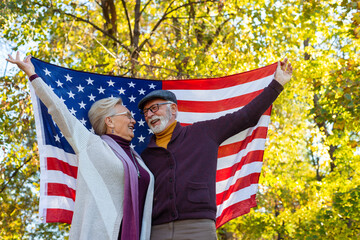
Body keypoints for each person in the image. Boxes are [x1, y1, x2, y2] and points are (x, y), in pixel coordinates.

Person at [137, 59, 293, 240]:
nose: (149, 115)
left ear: (173, 109)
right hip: (156, 232)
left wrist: (277, 84)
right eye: (146, 112)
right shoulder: (145, 155)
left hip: (199, 229)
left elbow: (246, 117)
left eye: (154, 108)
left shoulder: (203, 132)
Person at [6, 52, 154, 240]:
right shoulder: (92, 145)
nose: (133, 120)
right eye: (127, 115)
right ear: (109, 121)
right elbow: (59, 111)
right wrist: (33, 75)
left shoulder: (138, 158)